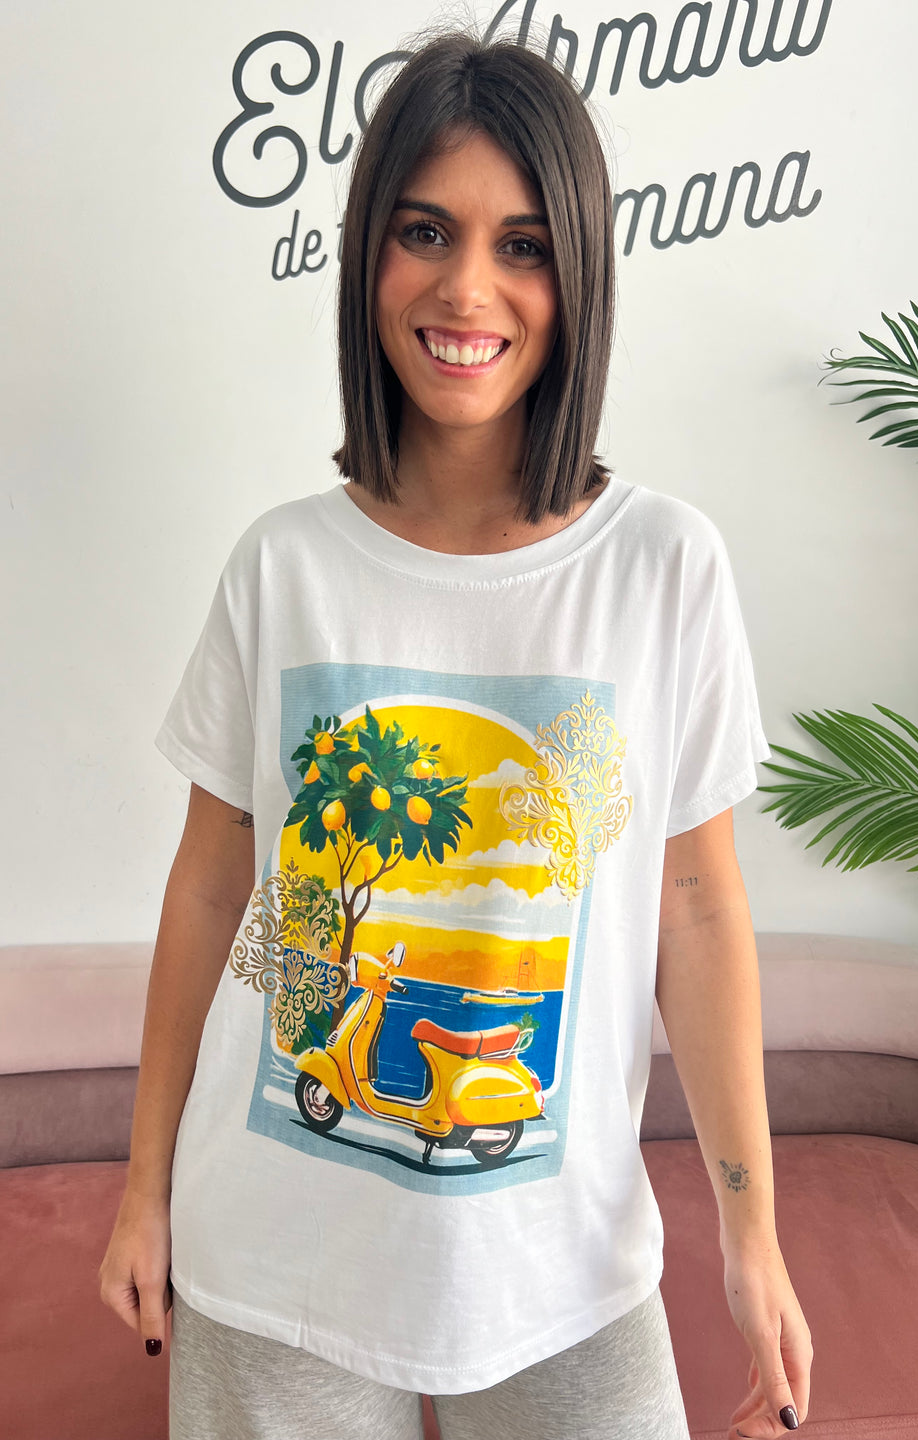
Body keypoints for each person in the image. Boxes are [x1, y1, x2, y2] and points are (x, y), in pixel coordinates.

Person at [99, 21, 813, 1440]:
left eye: (523, 245)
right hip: (273, 1264)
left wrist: (754, 1238)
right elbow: (215, 888)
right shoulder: (285, 566)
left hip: (567, 1270)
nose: (467, 288)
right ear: (370, 255)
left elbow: (695, 907)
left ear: (579, 274)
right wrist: (143, 1187)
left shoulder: (661, 567)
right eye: (425, 231)